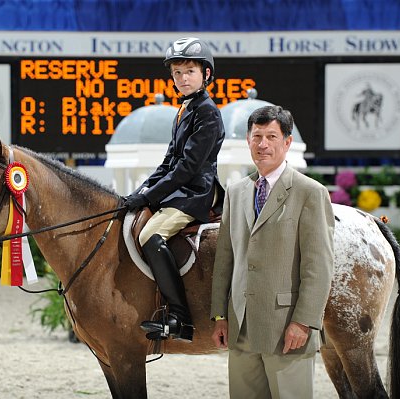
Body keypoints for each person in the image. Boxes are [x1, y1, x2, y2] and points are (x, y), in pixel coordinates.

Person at [210, 105, 334, 398]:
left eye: (271, 136)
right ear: (248, 141)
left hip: (287, 329)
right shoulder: (236, 192)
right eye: (256, 136)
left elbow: (318, 267)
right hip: (240, 327)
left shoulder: (310, 193)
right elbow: (225, 259)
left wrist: (303, 322)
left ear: (287, 142)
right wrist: (219, 315)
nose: (262, 144)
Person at [124, 37, 225, 342]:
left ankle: (179, 316)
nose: (182, 78)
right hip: (179, 189)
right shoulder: (184, 110)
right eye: (177, 73)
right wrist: (141, 191)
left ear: (206, 74)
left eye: (189, 71)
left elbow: (187, 168)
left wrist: (150, 197)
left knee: (151, 236)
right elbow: (169, 161)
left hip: (196, 192)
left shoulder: (207, 112)